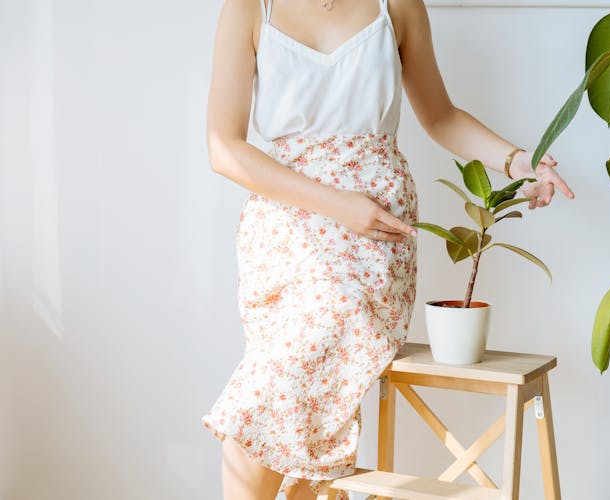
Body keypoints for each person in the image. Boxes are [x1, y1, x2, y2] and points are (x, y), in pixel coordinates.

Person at [201, 0, 575, 499]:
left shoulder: (396, 4)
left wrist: (516, 161)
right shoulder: (250, 7)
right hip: (286, 229)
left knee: (321, 331)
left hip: (375, 230)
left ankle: (303, 486)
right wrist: (338, 204)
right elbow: (224, 147)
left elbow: (440, 116)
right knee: (278, 382)